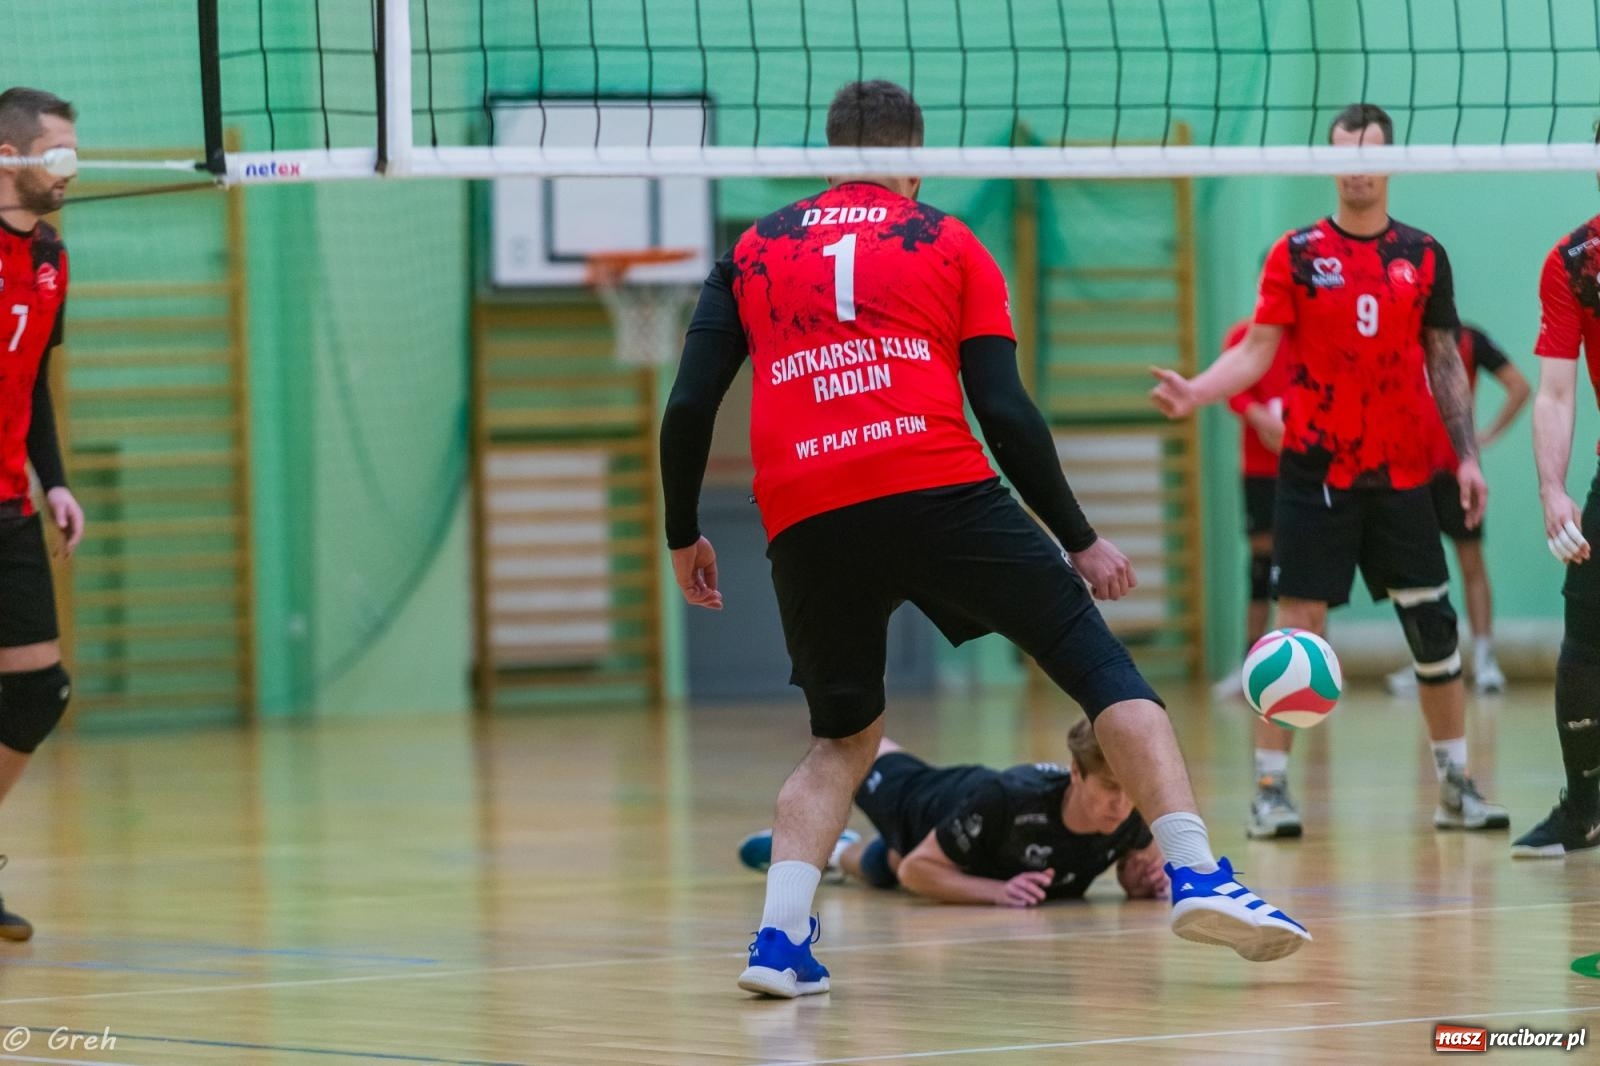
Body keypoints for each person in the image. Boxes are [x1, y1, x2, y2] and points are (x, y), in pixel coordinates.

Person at [661, 79, 1309, 999]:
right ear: (916, 161)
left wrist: (683, 530)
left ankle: (777, 943)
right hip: (938, 486)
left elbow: (690, 405)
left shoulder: (752, 251)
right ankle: (1199, 872)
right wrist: (1079, 539)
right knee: (1101, 670)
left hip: (807, 509)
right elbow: (1003, 408)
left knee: (842, 738)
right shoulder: (947, 241)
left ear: (828, 156)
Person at [1150, 102, 1508, 842]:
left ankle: (1454, 783)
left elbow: (1446, 361)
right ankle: (1270, 791)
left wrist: (1466, 455)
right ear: (1330, 160)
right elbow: (1255, 351)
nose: (1356, 165)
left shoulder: (1425, 254)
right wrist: (1199, 388)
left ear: (1391, 162)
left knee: (1432, 628)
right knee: (1296, 633)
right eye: (1344, 151)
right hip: (1313, 470)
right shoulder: (1297, 252)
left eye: (1370, 151)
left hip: (1405, 470)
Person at [739, 718, 1166, 904]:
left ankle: (833, 854)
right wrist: (999, 894)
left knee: (888, 863)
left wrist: (1143, 882)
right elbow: (918, 871)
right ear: (1076, 772)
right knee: (846, 749)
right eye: (1111, 788)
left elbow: (1135, 870)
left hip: (958, 848)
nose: (1122, 804)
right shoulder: (1009, 800)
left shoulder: (1131, 816)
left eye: (1131, 791)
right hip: (923, 801)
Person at [0, 87, 86, 941]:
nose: (70, 167)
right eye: (56, 150)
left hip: (9, 507)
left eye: (73, 151)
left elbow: (34, 387)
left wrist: (53, 479)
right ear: (9, 157)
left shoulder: (54, 257)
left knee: (39, 691)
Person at [1512, 170, 1600, 857]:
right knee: (1585, 637)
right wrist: (1552, 488)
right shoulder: (1577, 261)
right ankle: (1587, 808)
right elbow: (1556, 393)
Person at [1384, 323, 1528, 696]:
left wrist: (1487, 435)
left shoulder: (1469, 339)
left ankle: (1484, 662)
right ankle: (1427, 662)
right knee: (1417, 576)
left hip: (1456, 475)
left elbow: (1519, 385)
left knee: (1471, 564)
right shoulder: (1398, 334)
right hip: (1410, 474)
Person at [1213, 317, 1292, 702]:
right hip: (1261, 470)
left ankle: (1314, 664)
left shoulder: (1313, 334)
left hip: (1308, 468)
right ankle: (1252, 665)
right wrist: (1260, 417)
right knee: (1262, 562)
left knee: (1308, 565)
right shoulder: (1244, 336)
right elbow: (1233, 390)